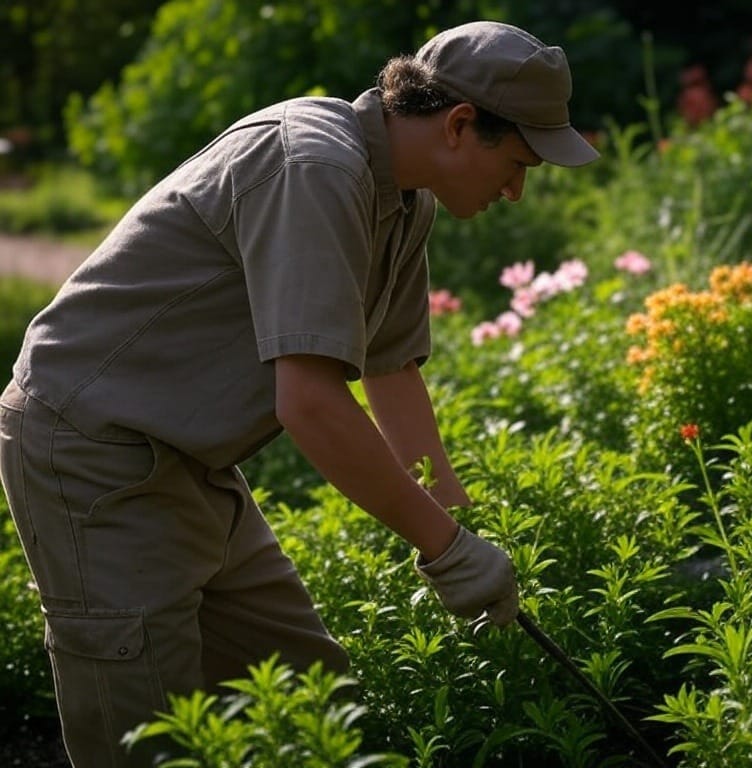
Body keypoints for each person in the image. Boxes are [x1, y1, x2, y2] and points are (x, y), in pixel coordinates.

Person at [0, 19, 598, 768]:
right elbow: (309, 403)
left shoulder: (406, 201)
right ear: (458, 125)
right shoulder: (312, 165)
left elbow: (390, 368)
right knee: (143, 741)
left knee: (318, 705)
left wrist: (457, 521)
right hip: (91, 451)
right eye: (517, 163)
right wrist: (445, 552)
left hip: (191, 462)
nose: (515, 190)